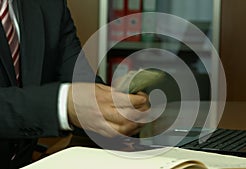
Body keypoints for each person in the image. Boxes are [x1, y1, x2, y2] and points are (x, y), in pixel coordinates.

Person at [0, 0, 150, 168]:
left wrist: (115, 104)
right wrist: (64, 105)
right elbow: (70, 101)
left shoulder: (50, 5)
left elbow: (78, 79)